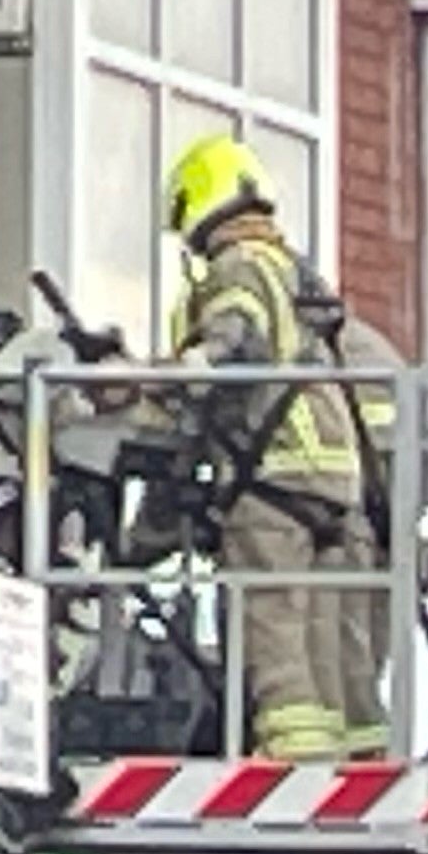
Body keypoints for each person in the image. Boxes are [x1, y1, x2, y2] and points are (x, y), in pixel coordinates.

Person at [161, 136, 388, 758]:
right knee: (338, 642)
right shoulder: (298, 274)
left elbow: (236, 338)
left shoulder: (238, 266)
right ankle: (362, 753)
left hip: (275, 476)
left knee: (273, 620)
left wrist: (183, 370)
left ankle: (295, 755)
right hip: (339, 484)